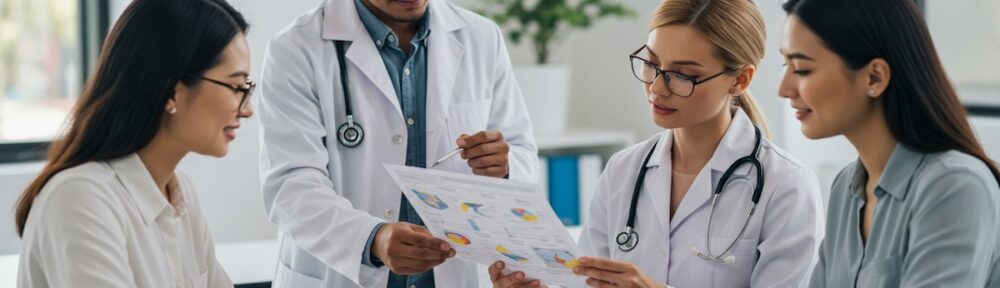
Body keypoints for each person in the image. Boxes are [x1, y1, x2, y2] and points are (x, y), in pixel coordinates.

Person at [491, 0, 824, 287]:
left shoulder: (785, 185)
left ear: (740, 79)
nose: (657, 89)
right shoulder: (623, 170)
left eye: (683, 75)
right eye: (651, 64)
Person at [257, 0, 538, 286]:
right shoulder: (296, 48)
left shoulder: (482, 37)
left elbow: (523, 155)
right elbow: (290, 185)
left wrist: (505, 166)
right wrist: (371, 239)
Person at [15, 0, 253, 286]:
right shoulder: (80, 197)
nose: (247, 109)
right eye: (237, 87)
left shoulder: (181, 195)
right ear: (172, 92)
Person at [778, 0, 1000, 286]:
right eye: (786, 65)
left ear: (875, 77)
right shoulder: (845, 189)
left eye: (801, 69)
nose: (783, 89)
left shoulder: (955, 185)